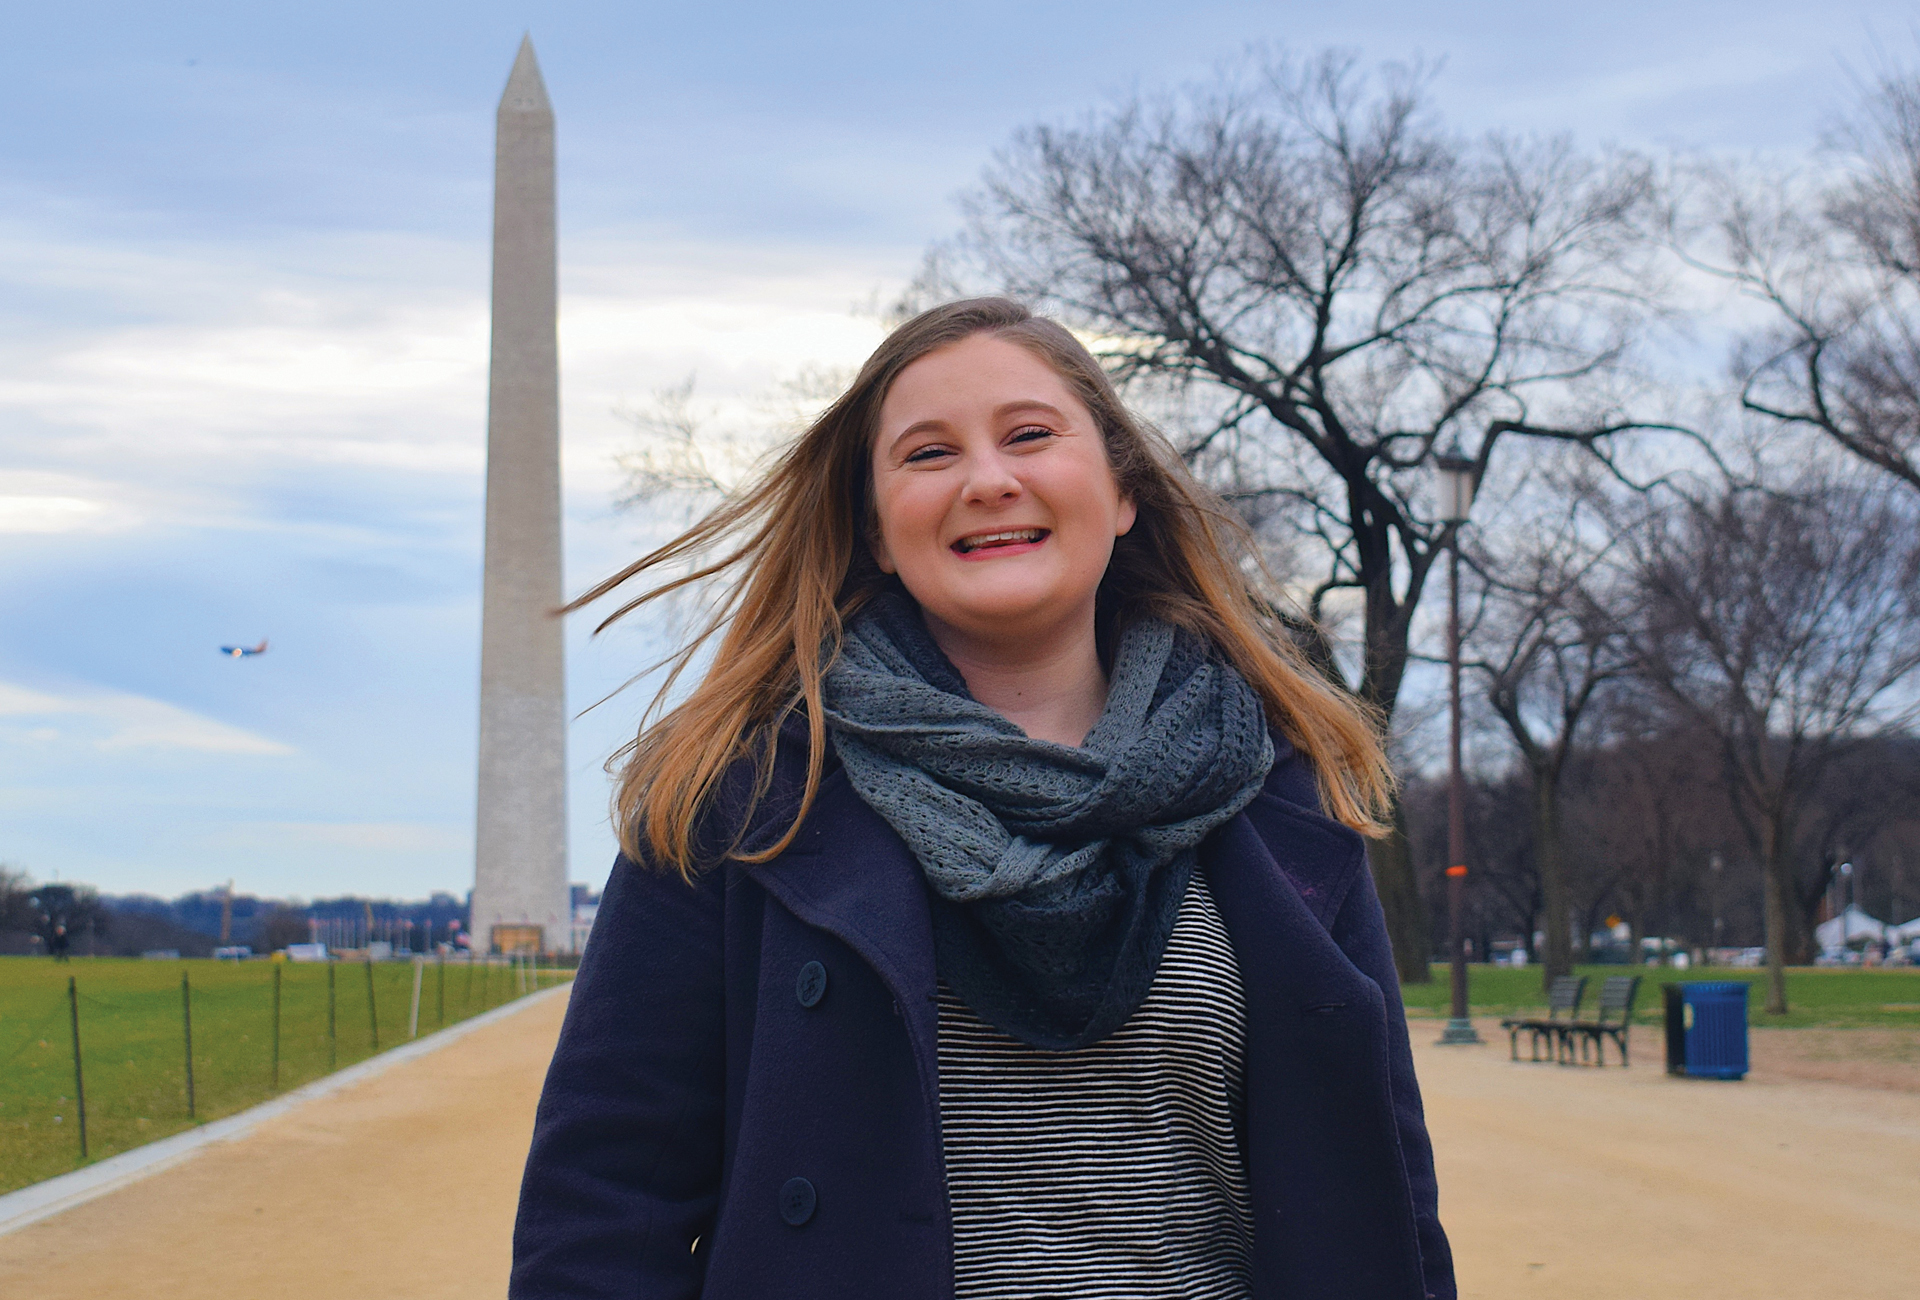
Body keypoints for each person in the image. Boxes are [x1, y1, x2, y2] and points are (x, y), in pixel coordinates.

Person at [510, 298, 1455, 1299]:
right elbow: (606, 1204)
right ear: (875, 529)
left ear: (1122, 489)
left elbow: (1386, 1195)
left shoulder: (1281, 789)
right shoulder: (739, 798)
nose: (989, 480)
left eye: (1030, 435)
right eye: (928, 454)